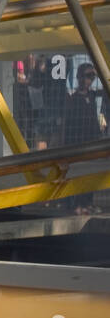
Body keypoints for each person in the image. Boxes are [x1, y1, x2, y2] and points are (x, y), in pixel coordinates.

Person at [63, 63, 105, 214]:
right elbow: (69, 123)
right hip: (78, 142)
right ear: (80, 77)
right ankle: (78, 204)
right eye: (88, 76)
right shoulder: (74, 99)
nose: (90, 79)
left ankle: (88, 202)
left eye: (92, 76)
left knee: (91, 172)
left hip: (92, 140)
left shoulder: (92, 96)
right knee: (79, 173)